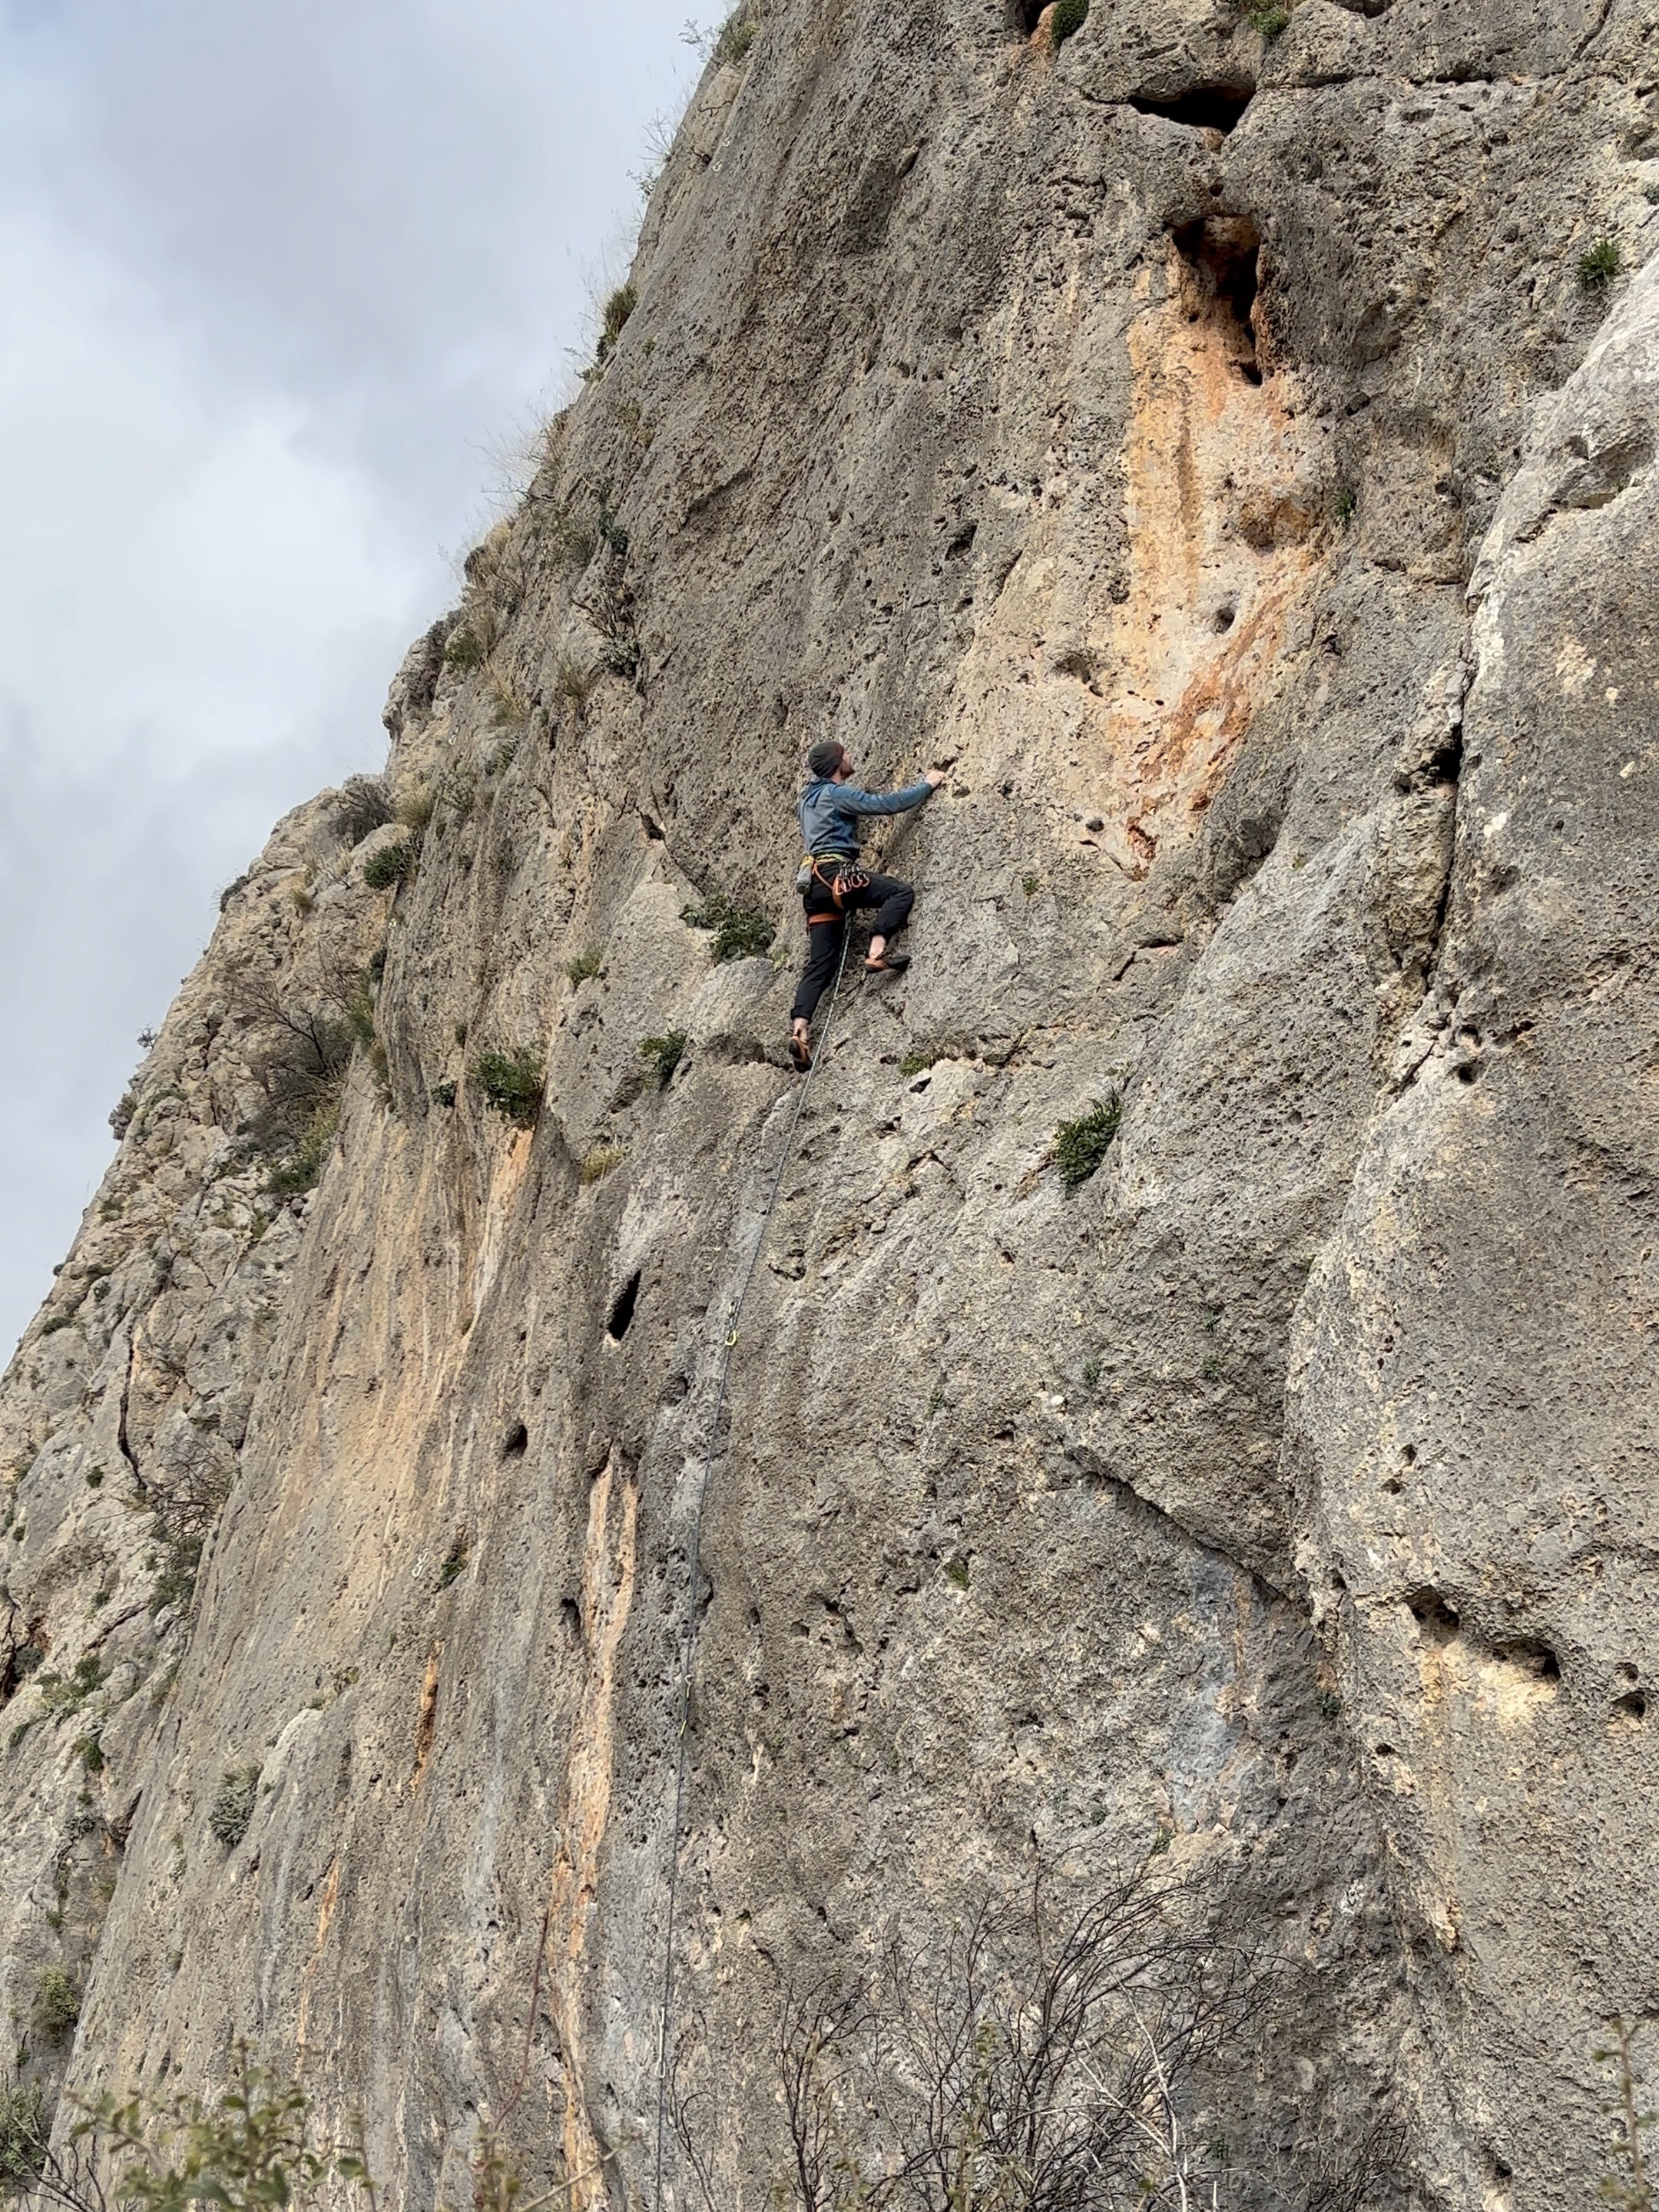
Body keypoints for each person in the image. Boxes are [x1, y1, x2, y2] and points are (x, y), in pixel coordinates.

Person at [790, 740, 945, 1070]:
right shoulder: (837, 794)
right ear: (836, 762)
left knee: (821, 964)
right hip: (836, 876)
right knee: (899, 893)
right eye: (845, 754)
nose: (850, 757)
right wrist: (927, 784)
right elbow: (886, 804)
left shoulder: (805, 801)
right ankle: (876, 954)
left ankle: (800, 1029)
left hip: (813, 888)